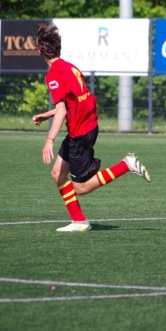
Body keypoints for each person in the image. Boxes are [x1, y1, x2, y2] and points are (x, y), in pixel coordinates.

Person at [32, 23, 151, 232]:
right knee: (57, 175)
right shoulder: (70, 67)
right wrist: (47, 114)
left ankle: (126, 164)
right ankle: (79, 221)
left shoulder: (53, 75)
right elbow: (73, 102)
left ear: (40, 51)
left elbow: (62, 110)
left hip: (81, 132)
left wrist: (49, 139)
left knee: (81, 187)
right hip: (85, 125)